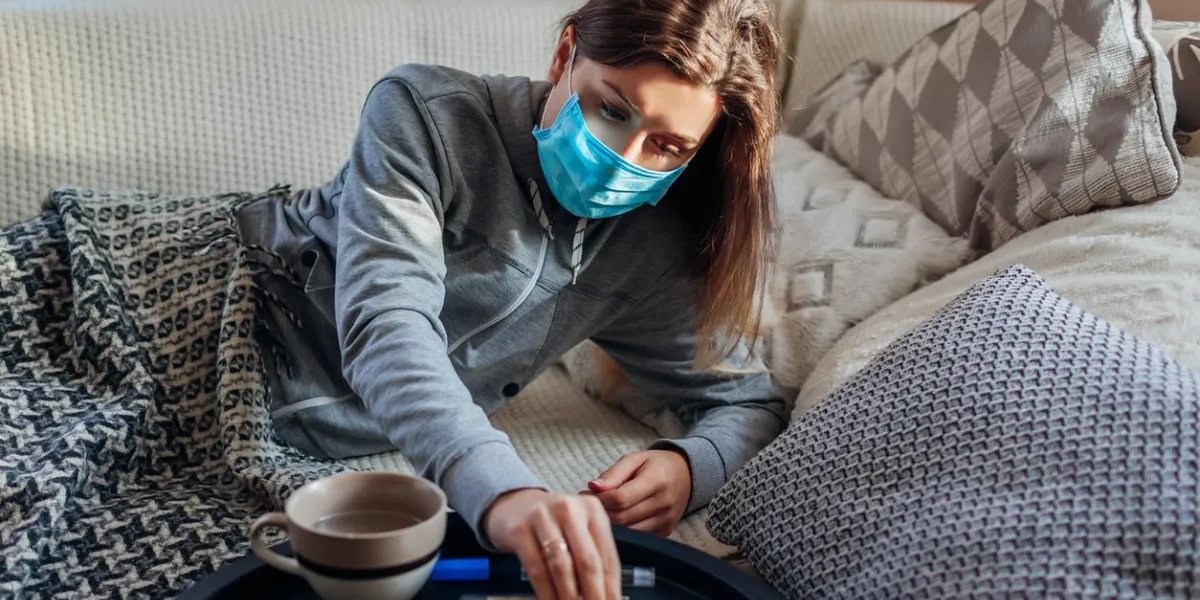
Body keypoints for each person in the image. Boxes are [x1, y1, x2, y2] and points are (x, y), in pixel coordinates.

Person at [234, 0, 786, 598]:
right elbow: (386, 323)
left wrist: (689, 466)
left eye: (667, 147)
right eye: (610, 109)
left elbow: (749, 403)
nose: (622, 160)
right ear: (563, 55)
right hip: (225, 297)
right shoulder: (424, 112)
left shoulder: (648, 252)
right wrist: (505, 491)